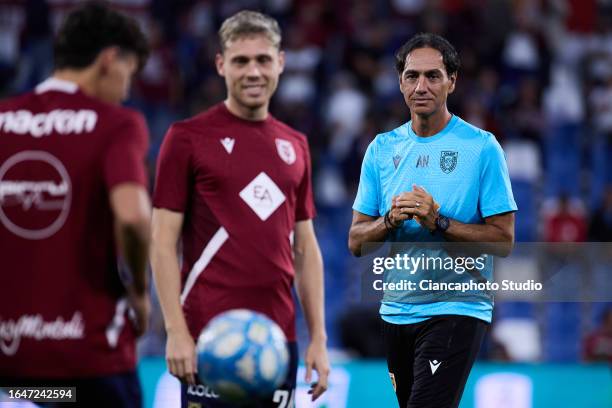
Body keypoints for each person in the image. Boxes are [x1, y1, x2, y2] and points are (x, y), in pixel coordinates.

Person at [151, 10, 329, 408]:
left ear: (280, 62)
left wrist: (318, 337)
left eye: (263, 59)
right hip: (208, 340)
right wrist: (175, 331)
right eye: (241, 61)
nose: (253, 71)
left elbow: (305, 248)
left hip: (275, 343)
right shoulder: (187, 139)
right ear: (221, 65)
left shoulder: (295, 144)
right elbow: (162, 243)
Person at [348, 33, 517, 408]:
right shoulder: (381, 149)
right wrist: (389, 220)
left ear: (452, 81)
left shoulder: (482, 147)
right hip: (396, 310)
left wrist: (438, 221)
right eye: (412, 76)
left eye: (433, 76)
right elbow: (357, 242)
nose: (421, 86)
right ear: (400, 81)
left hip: (456, 308)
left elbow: (503, 241)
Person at [0, 2, 151, 407]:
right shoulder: (116, 123)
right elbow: (134, 218)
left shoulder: (3, 118)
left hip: (14, 367)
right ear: (108, 59)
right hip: (89, 364)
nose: (125, 89)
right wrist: (138, 290)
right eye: (128, 74)